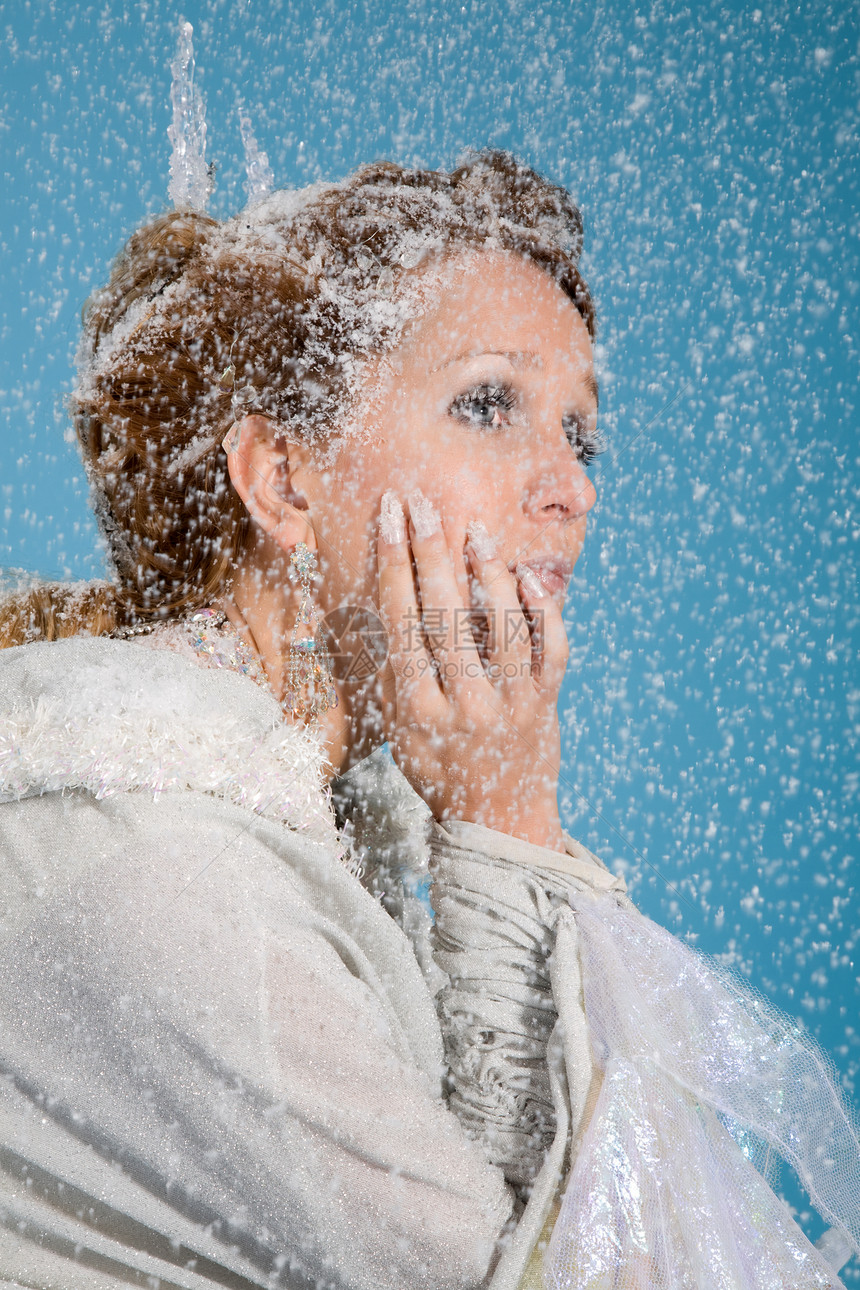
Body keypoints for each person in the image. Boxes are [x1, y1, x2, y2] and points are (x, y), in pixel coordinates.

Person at [0, 152, 857, 1290]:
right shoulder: (175, 874)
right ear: (284, 481)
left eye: (576, 432)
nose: (568, 486)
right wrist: (507, 831)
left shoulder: (297, 829)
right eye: (488, 404)